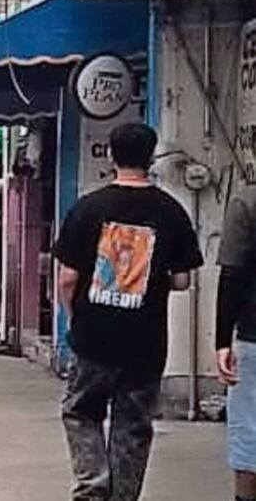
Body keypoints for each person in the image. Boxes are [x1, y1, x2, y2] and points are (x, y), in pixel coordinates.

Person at [54, 123, 202, 501]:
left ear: (110, 155)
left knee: (81, 411)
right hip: (146, 342)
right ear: (151, 157)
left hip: (94, 337)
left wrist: (74, 317)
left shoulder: (87, 208)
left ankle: (92, 487)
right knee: (133, 425)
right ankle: (123, 495)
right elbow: (183, 281)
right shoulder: (172, 211)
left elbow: (67, 279)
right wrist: (149, 283)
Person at [216, 184, 256, 501]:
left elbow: (232, 275)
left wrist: (221, 341)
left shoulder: (246, 201)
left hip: (254, 335)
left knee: (249, 430)